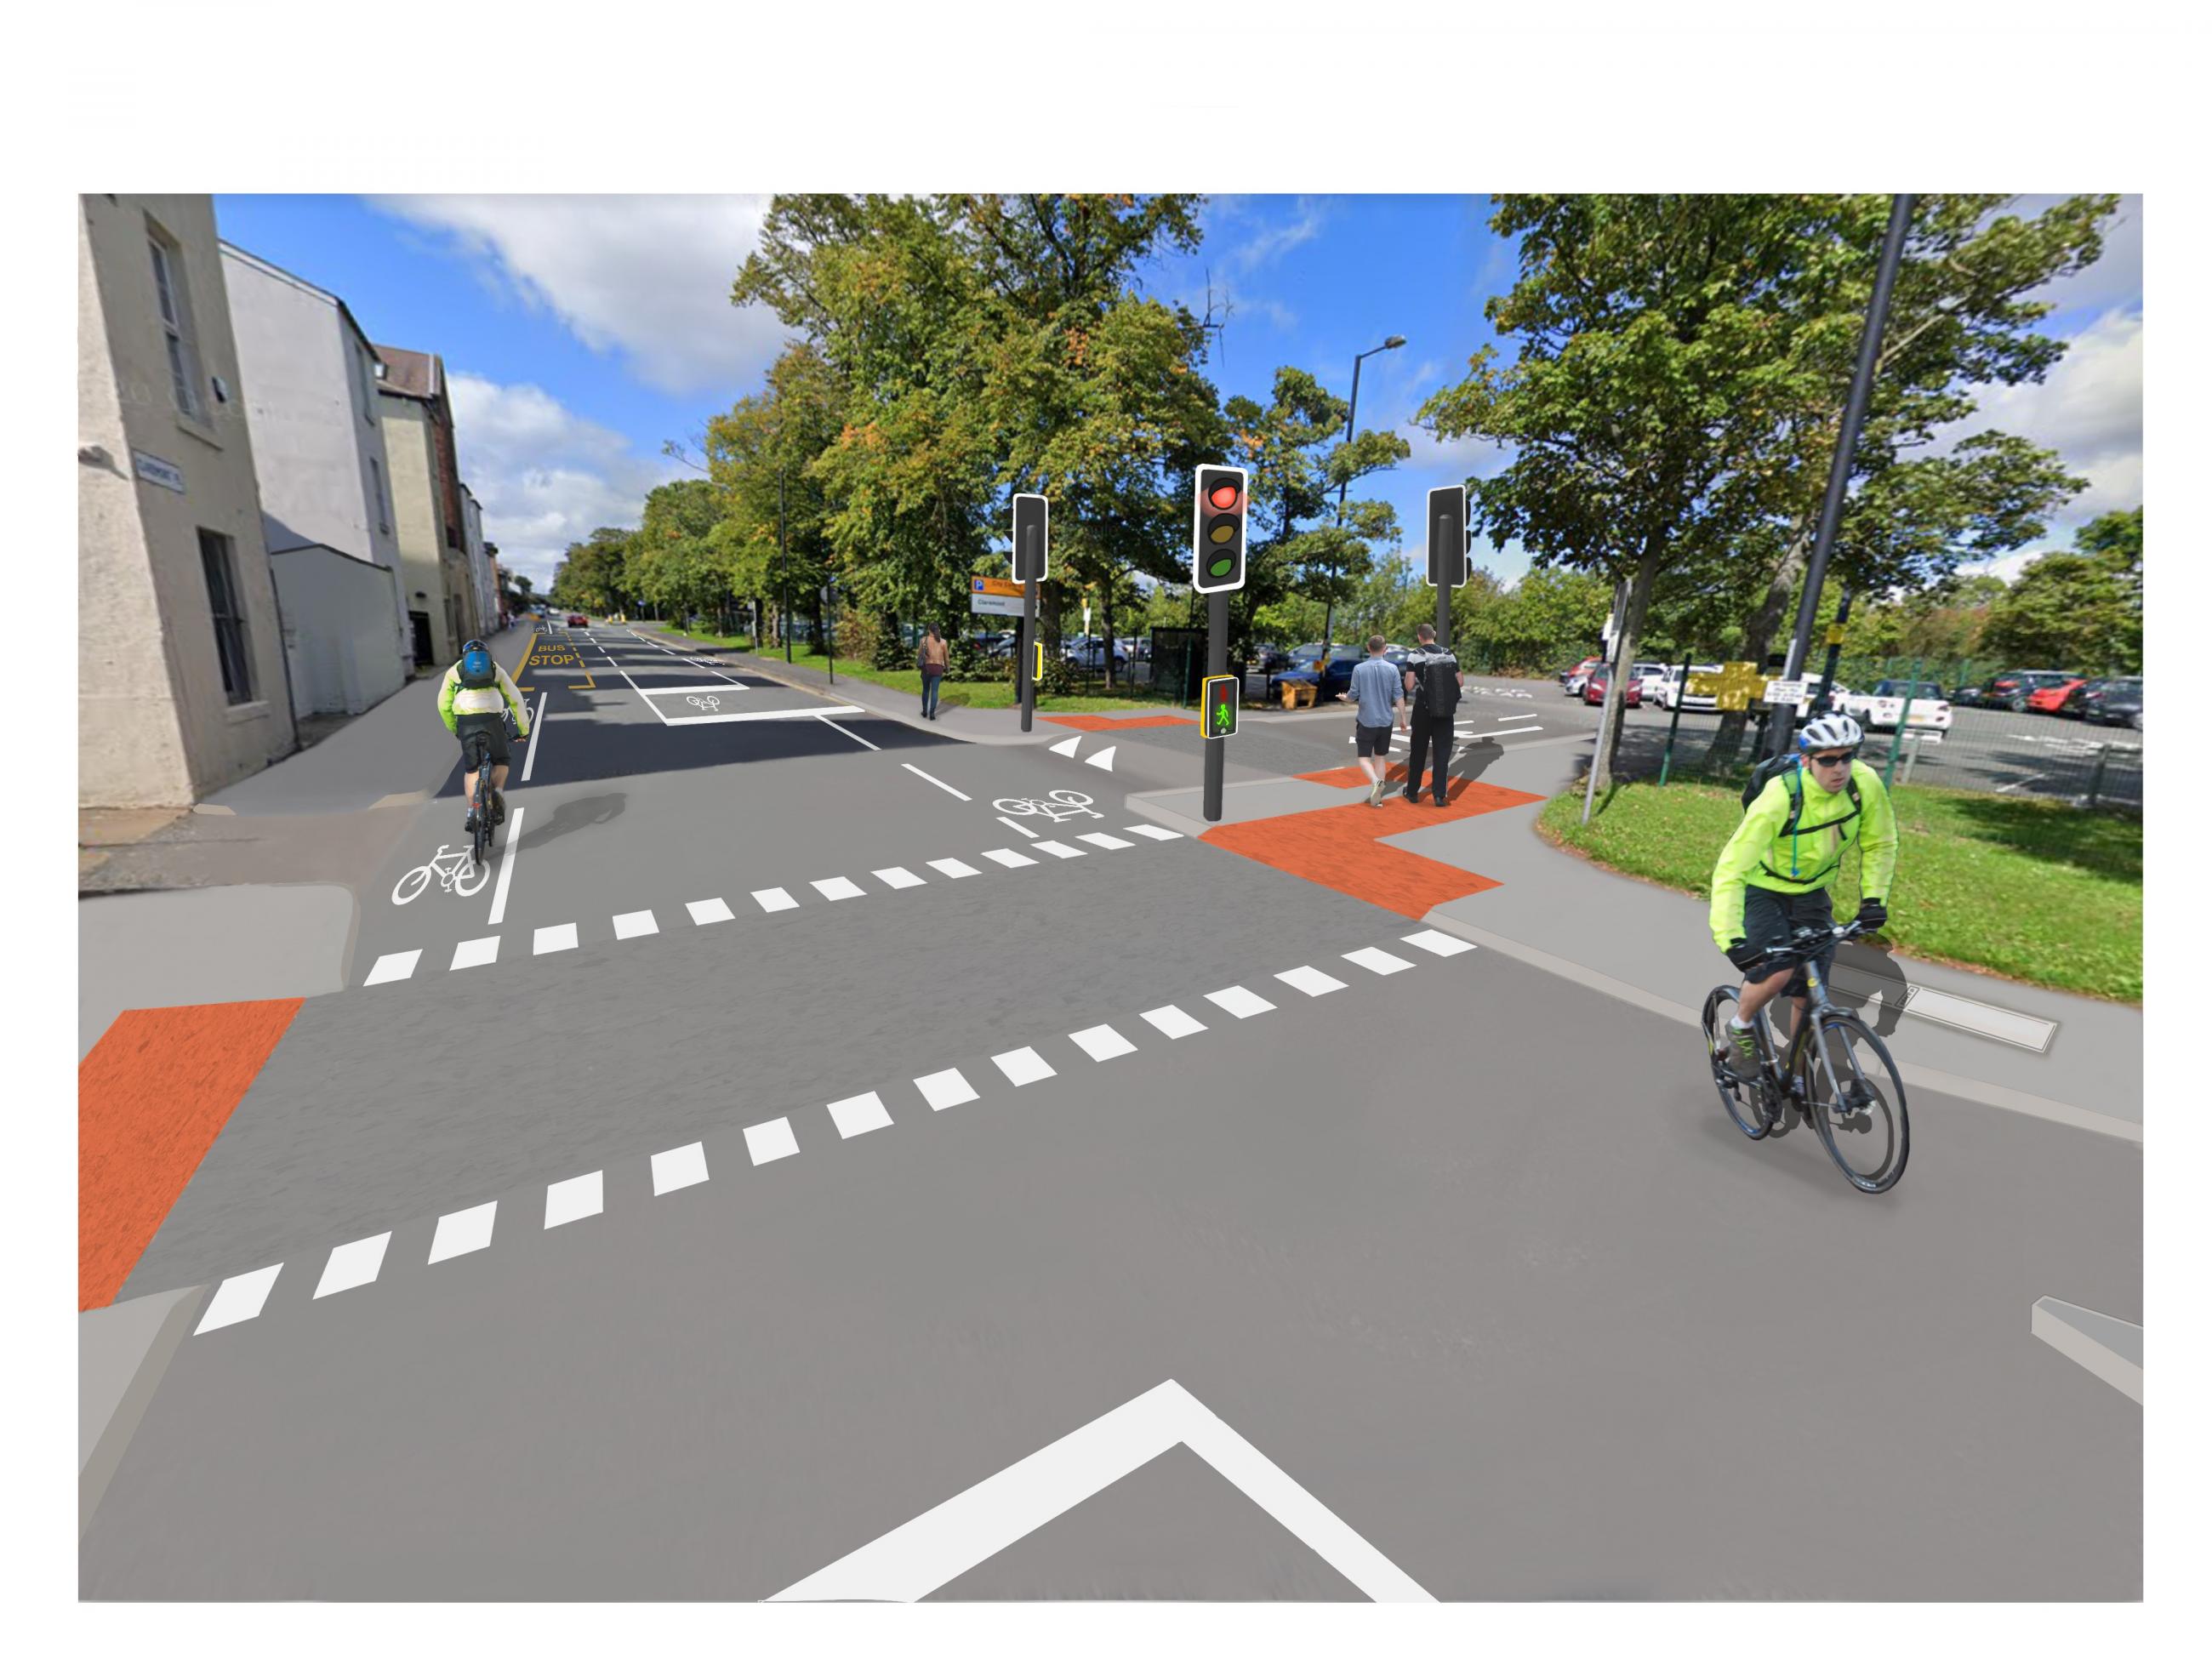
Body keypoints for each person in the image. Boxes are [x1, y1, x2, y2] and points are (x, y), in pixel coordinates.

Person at [1709, 713, 1899, 1080]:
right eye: (1828, 759)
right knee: (1778, 970)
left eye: (1847, 757)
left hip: (1812, 891)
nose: (1839, 768)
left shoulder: (1864, 784)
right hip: (1763, 887)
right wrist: (1731, 938)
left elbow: (1881, 841)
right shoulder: (1781, 797)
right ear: (1806, 760)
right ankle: (1741, 1026)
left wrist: (1873, 900)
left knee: (1809, 993)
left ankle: (1795, 1074)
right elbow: (1731, 869)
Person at [438, 637, 531, 833]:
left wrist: (455, 728)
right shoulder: (495, 669)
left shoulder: (455, 671)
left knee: (472, 770)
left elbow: (443, 705)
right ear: (487, 655)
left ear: (465, 656)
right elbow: (515, 699)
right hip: (492, 720)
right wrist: (523, 730)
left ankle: (472, 811)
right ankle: (497, 792)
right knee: (501, 759)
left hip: (466, 723)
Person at [1337, 634, 1405, 806]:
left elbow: (1353, 695)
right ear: (1385, 649)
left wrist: (1344, 698)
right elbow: (1399, 695)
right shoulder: (1393, 669)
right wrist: (1404, 718)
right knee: (1380, 757)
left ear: (1368, 648)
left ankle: (1376, 782)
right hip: (1386, 720)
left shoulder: (1359, 669)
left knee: (1364, 758)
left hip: (1367, 720)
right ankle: (1378, 798)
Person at [1400, 623, 1463, 806]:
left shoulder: (1415, 655)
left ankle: (1412, 793)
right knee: (1442, 753)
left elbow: (1410, 686)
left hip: (1423, 709)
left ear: (1420, 637)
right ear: (1433, 634)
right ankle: (1439, 796)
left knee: (1418, 751)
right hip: (1444, 710)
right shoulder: (1449, 653)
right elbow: (1460, 681)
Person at [918, 623, 949, 720]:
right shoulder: (943, 642)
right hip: (938, 668)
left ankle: (924, 711)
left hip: (926, 667)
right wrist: (947, 668)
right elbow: (946, 658)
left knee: (926, 690)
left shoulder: (923, 640)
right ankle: (932, 714)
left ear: (929, 630)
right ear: (938, 630)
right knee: (935, 691)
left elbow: (919, 654)